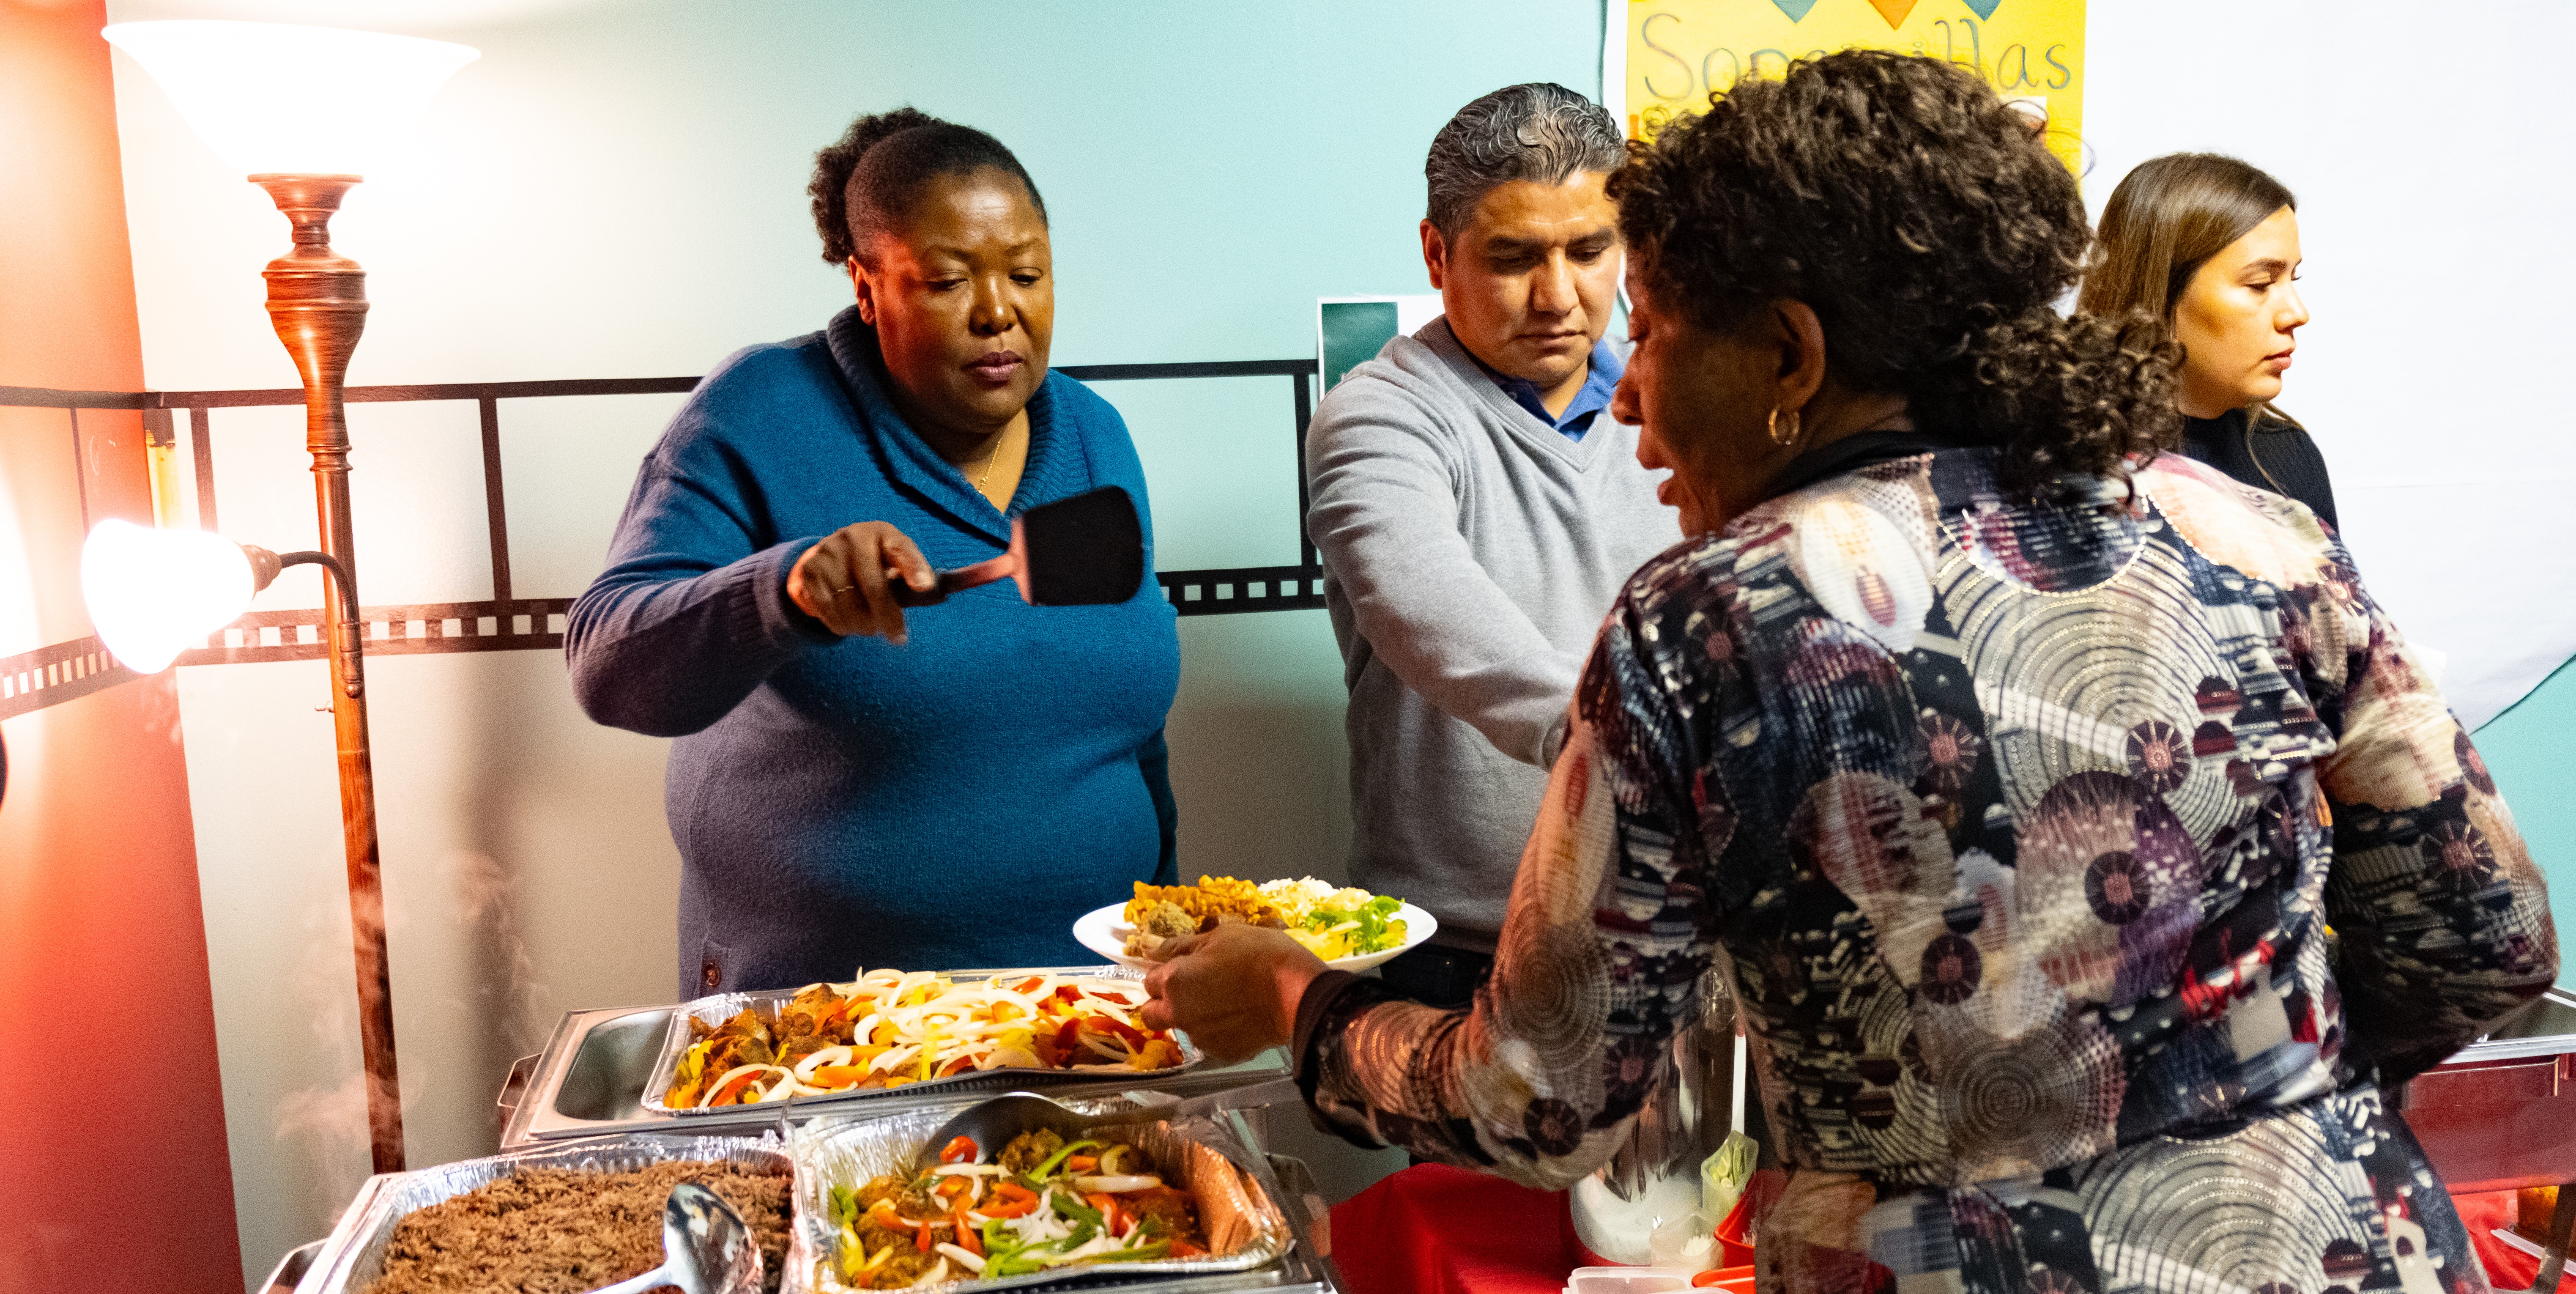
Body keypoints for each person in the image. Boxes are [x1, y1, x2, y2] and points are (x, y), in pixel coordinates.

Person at [1147, 52, 2554, 1293]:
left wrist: (1299, 1004)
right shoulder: (2257, 535)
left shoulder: (1706, 623)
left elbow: (1541, 1107)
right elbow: (2487, 942)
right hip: (2343, 1245)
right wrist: (2238, 1092)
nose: (1625, 388)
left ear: (1790, 357)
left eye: (1655, 322)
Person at [567, 108, 1180, 996]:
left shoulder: (1092, 434)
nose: (997, 312)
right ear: (865, 286)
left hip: (1090, 1012)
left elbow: (1133, 725)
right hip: (820, 1028)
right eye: (945, 282)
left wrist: (1161, 935)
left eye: (1026, 274)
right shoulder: (760, 413)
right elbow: (606, 661)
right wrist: (786, 592)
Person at [1305, 82, 1676, 1006]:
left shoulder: (1680, 401)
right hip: (1456, 954)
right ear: (1436, 254)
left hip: (1667, 938)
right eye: (1513, 258)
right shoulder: (1379, 415)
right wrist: (1619, 744)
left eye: (1589, 251)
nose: (1559, 296)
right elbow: (1428, 608)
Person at [2080, 154, 2337, 528]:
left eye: (2292, 280)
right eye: (2260, 284)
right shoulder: (2063, 461)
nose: (2296, 314)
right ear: (2160, 294)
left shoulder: (2287, 458)